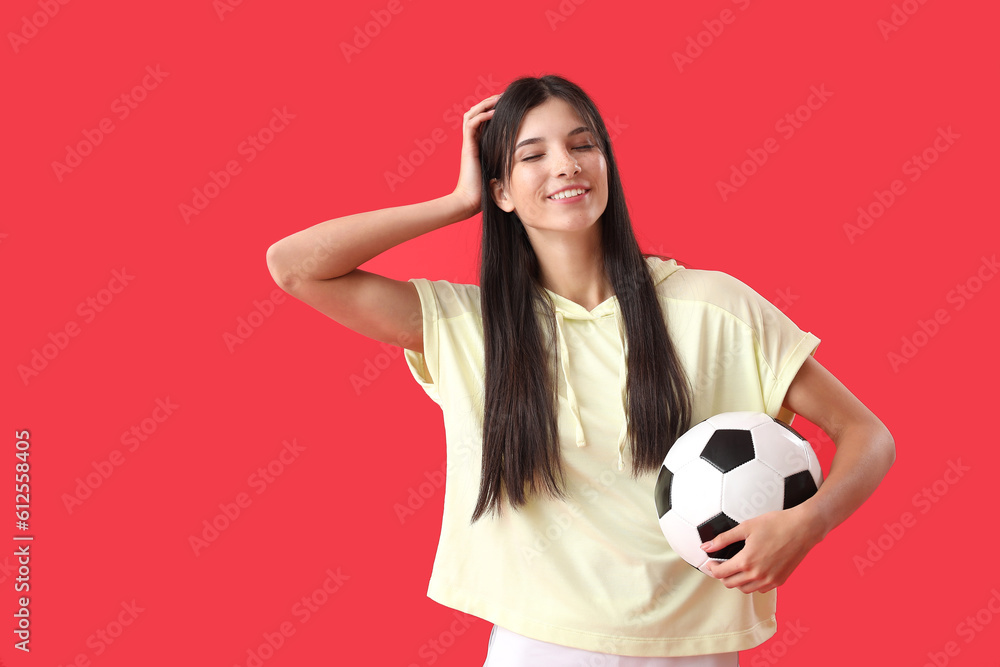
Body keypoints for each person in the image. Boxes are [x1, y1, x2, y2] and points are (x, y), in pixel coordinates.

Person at [265, 74, 895, 666]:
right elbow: (294, 266)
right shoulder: (471, 326)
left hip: (692, 648)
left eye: (582, 144)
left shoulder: (717, 307)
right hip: (539, 646)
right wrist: (457, 201)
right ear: (501, 191)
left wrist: (808, 523)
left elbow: (868, 435)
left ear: (606, 165)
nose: (565, 164)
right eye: (531, 155)